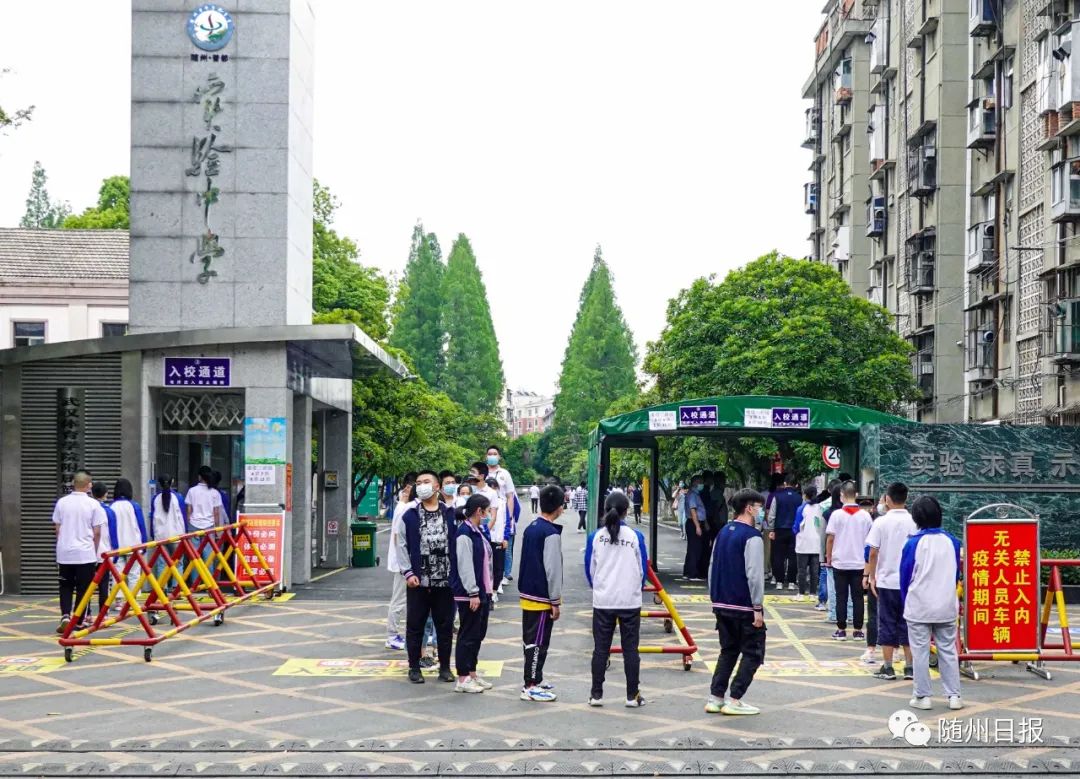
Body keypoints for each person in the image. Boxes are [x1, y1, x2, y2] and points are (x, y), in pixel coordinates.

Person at [705, 488, 767, 715]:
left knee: (728, 650)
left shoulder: (723, 531)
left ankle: (715, 697)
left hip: (722, 603)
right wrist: (757, 607)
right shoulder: (752, 536)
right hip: (744, 605)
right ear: (749, 508)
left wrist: (715, 598)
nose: (762, 511)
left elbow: (712, 567)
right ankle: (735, 698)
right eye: (759, 507)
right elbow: (754, 574)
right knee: (753, 652)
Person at [585, 491, 649, 708]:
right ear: (626, 511)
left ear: (605, 509)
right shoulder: (635, 537)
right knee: (631, 649)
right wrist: (634, 589)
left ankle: (596, 695)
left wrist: (601, 587)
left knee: (600, 649)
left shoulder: (595, 537)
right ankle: (632, 696)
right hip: (629, 601)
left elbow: (590, 570)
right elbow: (642, 571)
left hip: (603, 600)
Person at [900, 495, 963, 711]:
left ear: (916, 518)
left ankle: (922, 696)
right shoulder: (953, 542)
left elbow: (905, 577)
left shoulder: (913, 543)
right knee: (948, 649)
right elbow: (955, 574)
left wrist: (905, 602)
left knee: (920, 651)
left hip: (919, 606)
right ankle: (954, 696)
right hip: (946, 605)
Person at [398, 470, 457, 684]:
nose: (421, 485)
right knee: (415, 624)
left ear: (437, 487)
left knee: (445, 625)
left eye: (426, 482)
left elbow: (457, 544)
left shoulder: (450, 513)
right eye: (419, 482)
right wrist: (408, 572)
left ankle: (445, 667)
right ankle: (414, 667)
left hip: (445, 581)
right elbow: (402, 545)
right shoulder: (410, 514)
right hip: (418, 581)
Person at [517, 483, 565, 702]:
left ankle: (536, 677)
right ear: (560, 507)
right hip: (542, 597)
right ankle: (531, 684)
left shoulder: (532, 527)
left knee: (531, 640)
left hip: (528, 593)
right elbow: (552, 569)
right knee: (538, 643)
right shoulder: (551, 533)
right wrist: (555, 600)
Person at [868, 482, 917, 681]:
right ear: (906, 498)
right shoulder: (914, 521)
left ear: (887, 499)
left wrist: (871, 576)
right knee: (909, 623)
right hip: (910, 583)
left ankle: (888, 668)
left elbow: (873, 552)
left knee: (886, 622)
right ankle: (910, 667)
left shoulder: (880, 522)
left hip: (886, 581)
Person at [54, 470, 108, 634]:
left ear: (73, 484)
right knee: (84, 588)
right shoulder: (93, 505)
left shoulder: (62, 503)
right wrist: (94, 549)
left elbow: (57, 528)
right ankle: (78, 621)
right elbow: (97, 532)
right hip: (85, 553)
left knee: (65, 585)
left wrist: (62, 544)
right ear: (89, 485)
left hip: (65, 553)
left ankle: (65, 615)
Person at [451, 493, 495, 693]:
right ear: (479, 511)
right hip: (470, 593)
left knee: (478, 634)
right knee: (467, 634)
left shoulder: (477, 531)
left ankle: (472, 673)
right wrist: (473, 592)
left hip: (482, 591)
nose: (488, 515)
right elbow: (465, 565)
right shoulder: (464, 533)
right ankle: (462, 678)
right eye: (486, 511)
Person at [825, 481, 872, 641]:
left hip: (840, 562)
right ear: (856, 495)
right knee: (858, 597)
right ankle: (858, 630)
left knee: (841, 597)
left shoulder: (836, 515)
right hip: (860, 563)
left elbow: (830, 538)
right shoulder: (865, 516)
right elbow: (870, 541)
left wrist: (828, 557)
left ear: (842, 496)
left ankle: (841, 630)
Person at [385, 476, 417, 651]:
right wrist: (405, 564)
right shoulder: (405, 508)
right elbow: (399, 537)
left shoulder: (403, 506)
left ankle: (396, 634)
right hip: (402, 564)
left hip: (404, 563)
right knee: (398, 600)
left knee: (404, 600)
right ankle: (391, 636)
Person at [109, 478, 149, 596]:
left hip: (117, 546)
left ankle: (118, 601)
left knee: (117, 575)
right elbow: (141, 525)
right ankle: (133, 601)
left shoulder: (112, 506)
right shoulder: (134, 506)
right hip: (134, 545)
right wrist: (144, 543)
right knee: (134, 574)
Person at [186, 466, 225, 587]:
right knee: (209, 556)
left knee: (195, 556)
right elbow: (217, 513)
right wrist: (217, 530)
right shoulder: (214, 493)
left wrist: (189, 525)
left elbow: (189, 510)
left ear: (199, 477)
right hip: (209, 527)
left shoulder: (192, 491)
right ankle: (210, 583)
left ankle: (195, 584)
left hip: (194, 525)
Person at [149, 475, 187, 593]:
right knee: (178, 563)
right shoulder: (178, 497)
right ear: (173, 481)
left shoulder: (155, 498)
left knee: (162, 563)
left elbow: (152, 518)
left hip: (160, 536)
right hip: (176, 534)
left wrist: (152, 533)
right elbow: (183, 517)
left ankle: (162, 587)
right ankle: (176, 588)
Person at [485, 446, 518, 582]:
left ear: (499, 456)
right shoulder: (482, 473)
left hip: (503, 511)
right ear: (485, 456)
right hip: (485, 511)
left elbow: (510, 496)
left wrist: (509, 516)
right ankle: (490, 575)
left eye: (495, 453)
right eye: (490, 454)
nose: (492, 456)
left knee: (505, 543)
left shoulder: (504, 473)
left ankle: (505, 573)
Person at [768, 474, 801, 591]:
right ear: (796, 485)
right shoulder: (799, 498)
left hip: (779, 529)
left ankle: (779, 581)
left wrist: (771, 529)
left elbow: (772, 515)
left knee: (778, 556)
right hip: (794, 531)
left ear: (785, 484)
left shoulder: (777, 496)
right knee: (793, 556)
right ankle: (792, 581)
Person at [91, 481, 117, 620]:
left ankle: (86, 613)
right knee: (103, 584)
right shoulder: (109, 511)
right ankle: (103, 613)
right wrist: (116, 552)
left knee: (87, 585)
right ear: (105, 494)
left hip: (88, 553)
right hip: (104, 553)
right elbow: (113, 534)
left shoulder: (88, 508)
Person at [792, 485, 823, 602]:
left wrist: (795, 532)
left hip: (803, 543)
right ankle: (813, 593)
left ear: (805, 495)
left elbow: (796, 526)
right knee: (814, 571)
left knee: (802, 570)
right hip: (816, 543)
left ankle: (801, 593)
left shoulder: (801, 508)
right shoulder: (820, 508)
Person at [485, 476, 510, 605]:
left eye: (495, 488)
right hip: (485, 539)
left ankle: (495, 590)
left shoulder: (502, 503)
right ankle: (487, 591)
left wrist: (506, 537)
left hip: (498, 539)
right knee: (486, 566)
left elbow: (507, 521)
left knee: (498, 565)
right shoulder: (481, 504)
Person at [682, 475, 708, 581]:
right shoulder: (692, 494)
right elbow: (693, 510)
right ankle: (692, 573)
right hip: (693, 523)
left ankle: (690, 572)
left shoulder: (696, 494)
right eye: (701, 482)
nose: (702, 484)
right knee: (694, 549)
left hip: (696, 522)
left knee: (695, 548)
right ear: (695, 483)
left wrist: (704, 523)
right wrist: (697, 526)